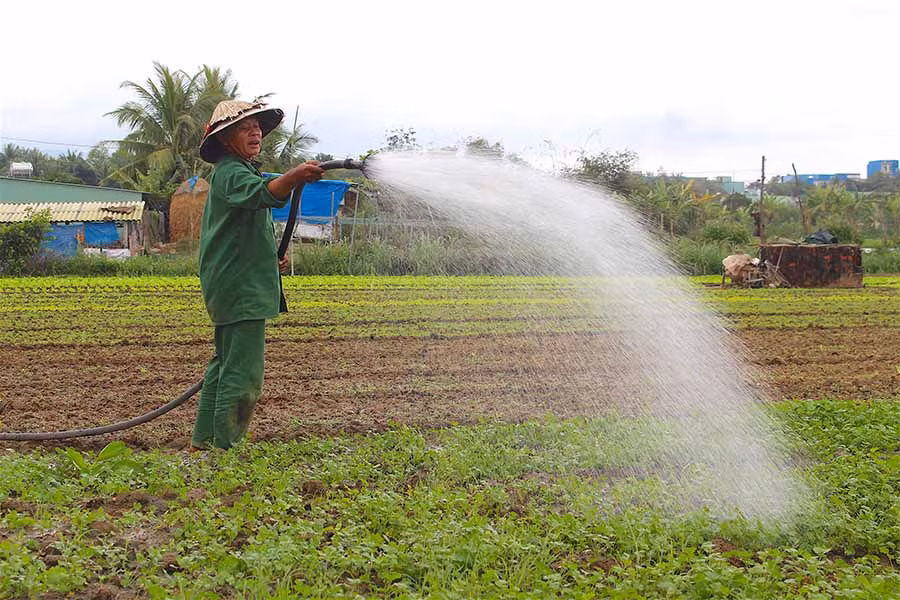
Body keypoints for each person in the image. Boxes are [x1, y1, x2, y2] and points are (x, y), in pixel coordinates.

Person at [192, 97, 324, 450]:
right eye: (244, 128)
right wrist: (294, 175)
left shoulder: (240, 170)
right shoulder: (231, 172)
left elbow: (247, 222)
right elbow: (264, 194)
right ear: (224, 138)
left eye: (257, 127)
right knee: (243, 373)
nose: (254, 133)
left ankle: (204, 441)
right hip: (240, 288)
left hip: (236, 281)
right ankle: (226, 448)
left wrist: (269, 258)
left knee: (224, 366)